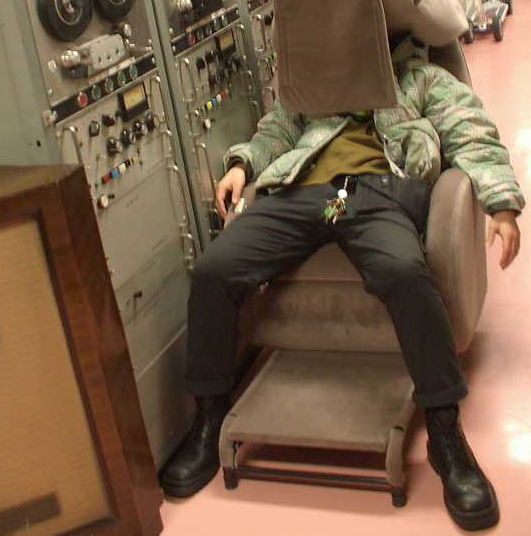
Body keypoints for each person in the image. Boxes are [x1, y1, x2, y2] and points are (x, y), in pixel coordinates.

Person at [160, 31, 524, 532]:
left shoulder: (421, 79)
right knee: (213, 271)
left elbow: (471, 131)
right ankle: (209, 417)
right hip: (309, 194)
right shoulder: (318, 81)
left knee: (403, 272)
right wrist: (243, 165)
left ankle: (445, 436)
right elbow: (278, 129)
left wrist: (501, 204)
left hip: (375, 192)